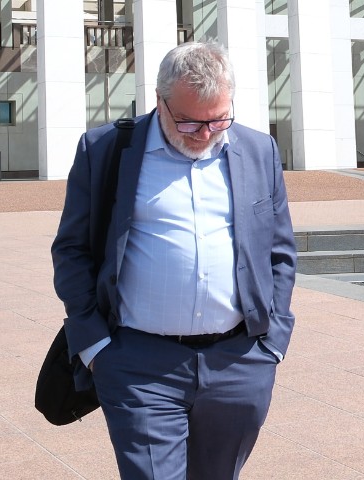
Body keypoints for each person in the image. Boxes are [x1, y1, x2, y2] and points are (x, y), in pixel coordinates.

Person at [49, 42, 297, 480]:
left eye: (218, 119)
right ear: (160, 102)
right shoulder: (106, 149)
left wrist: (271, 343)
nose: (204, 134)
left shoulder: (260, 151)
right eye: (188, 121)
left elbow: (279, 251)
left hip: (240, 363)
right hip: (138, 364)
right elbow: (72, 251)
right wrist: (94, 346)